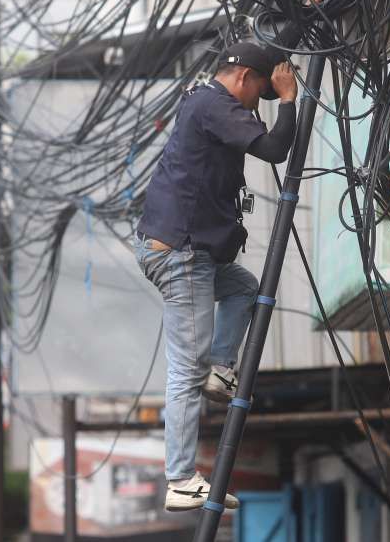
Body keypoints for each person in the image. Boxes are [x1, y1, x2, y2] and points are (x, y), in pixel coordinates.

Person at [134, 34, 301, 512]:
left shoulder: (208, 100)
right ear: (243, 77)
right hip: (182, 253)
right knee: (185, 370)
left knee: (245, 289)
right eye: (259, 93)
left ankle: (221, 369)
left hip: (187, 250)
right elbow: (275, 148)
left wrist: (305, 13)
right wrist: (288, 100)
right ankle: (180, 479)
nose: (258, 104)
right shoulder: (215, 104)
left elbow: (266, 43)